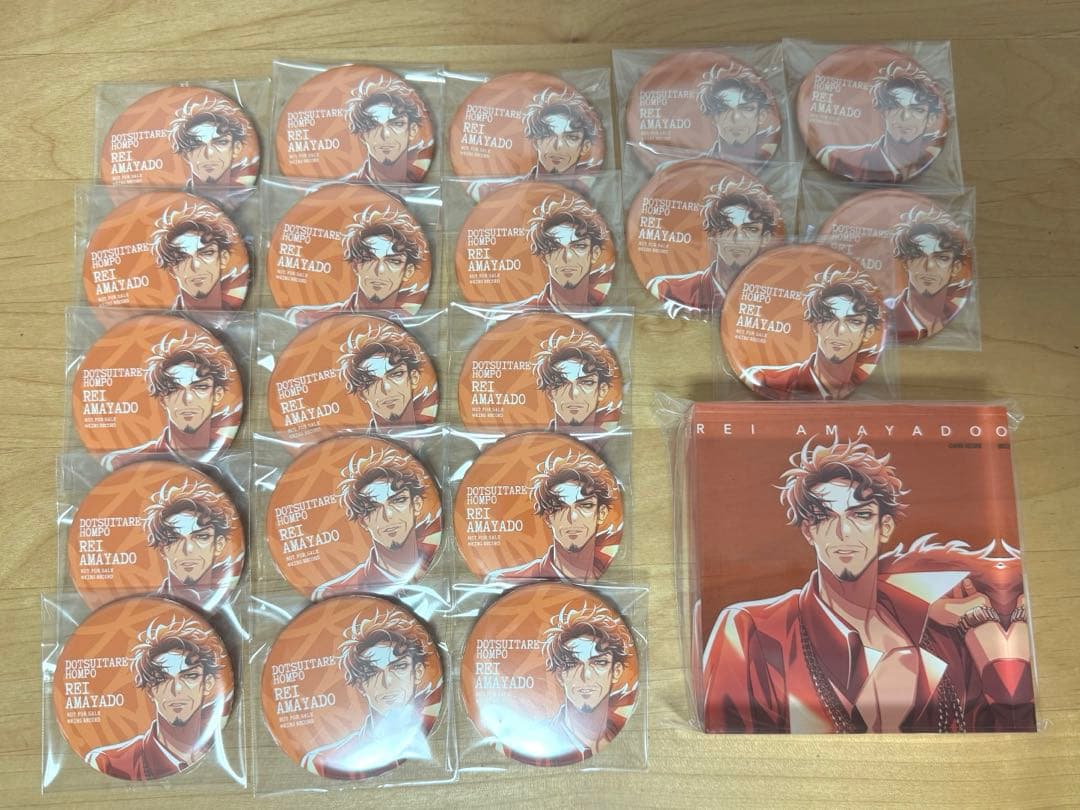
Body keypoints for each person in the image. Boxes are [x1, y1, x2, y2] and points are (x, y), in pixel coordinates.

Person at [701, 438, 1035, 733]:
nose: (843, 533)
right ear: (808, 532)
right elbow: (721, 754)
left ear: (884, 527)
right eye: (825, 517)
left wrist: (989, 650)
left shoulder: (942, 637)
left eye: (860, 515)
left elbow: (1002, 749)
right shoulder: (751, 630)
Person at [301, 608, 436, 778]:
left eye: (399, 667)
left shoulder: (433, 708)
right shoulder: (324, 761)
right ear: (360, 686)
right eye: (372, 673)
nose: (387, 682)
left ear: (418, 672)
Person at [85, 616, 226, 779]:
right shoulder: (109, 763)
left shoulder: (220, 743)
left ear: (208, 684)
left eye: (190, 676)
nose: (176, 690)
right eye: (162, 679)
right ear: (151, 691)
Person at [102, 332, 241, 471]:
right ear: (163, 399)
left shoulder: (230, 428)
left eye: (200, 387)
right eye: (174, 389)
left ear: (217, 395)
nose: (187, 399)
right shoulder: (129, 462)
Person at [312, 448, 440, 598]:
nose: (388, 515)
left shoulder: (436, 541)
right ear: (363, 521)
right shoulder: (338, 592)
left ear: (416, 505)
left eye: (398, 500)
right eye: (373, 508)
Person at [741, 266, 882, 400]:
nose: (840, 330)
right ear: (815, 326)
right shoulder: (764, 380)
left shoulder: (873, 383)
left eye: (854, 322)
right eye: (829, 319)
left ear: (868, 332)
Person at [647, 177, 780, 317]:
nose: (738, 238)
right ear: (714, 237)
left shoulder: (774, 301)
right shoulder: (667, 289)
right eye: (727, 228)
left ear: (765, 238)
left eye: (751, 229)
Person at [485, 451, 617, 583]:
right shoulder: (505, 582)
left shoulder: (613, 577)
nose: (573, 517)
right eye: (560, 507)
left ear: (601, 513)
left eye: (585, 505)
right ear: (548, 518)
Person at [286, 207, 428, 325]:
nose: (380, 270)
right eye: (368, 259)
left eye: (393, 261)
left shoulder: (411, 315)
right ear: (355, 266)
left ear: (408, 271)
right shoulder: (311, 318)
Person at [535, 602, 634, 761]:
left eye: (599, 662)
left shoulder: (626, 732)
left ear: (616, 671)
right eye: (572, 664)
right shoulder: (536, 739)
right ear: (560, 676)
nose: (586, 675)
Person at [817, 61, 944, 183]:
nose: (905, 117)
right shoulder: (836, 158)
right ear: (884, 113)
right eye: (895, 107)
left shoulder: (933, 150)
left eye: (917, 110)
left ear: (931, 119)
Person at [143, 478, 241, 607]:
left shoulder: (230, 593)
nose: (188, 549)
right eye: (174, 538)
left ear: (219, 545)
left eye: (201, 536)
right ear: (162, 550)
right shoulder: (146, 606)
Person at [887, 207, 971, 341]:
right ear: (905, 263)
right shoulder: (887, 316)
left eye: (941, 258)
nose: (929, 266)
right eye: (918, 256)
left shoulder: (958, 312)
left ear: (955, 267)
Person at [516, 195, 611, 310]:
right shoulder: (524, 312)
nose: (567, 257)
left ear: (595, 253)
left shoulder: (610, 298)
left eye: (579, 246)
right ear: (544, 257)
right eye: (555, 248)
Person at [338, 324, 438, 428]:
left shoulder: (429, 409)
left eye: (396, 374)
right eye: (371, 381)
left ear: (413, 378)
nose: (386, 388)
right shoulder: (356, 436)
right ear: (362, 394)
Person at [150, 202, 247, 310]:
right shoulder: (162, 319)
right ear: (172, 270)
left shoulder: (239, 294)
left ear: (223, 258)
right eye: (182, 258)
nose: (195, 266)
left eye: (207, 253)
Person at [344, 77, 429, 185]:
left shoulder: (421, 166)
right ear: (362, 136)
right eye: (373, 126)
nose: (385, 135)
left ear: (412, 130)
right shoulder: (348, 187)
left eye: (397, 124)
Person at [532, 330, 618, 431]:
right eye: (562, 383)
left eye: (586, 382)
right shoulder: (534, 439)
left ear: (602, 390)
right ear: (550, 393)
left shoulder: (611, 437)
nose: (574, 393)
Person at [168, 96, 256, 188]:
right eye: (197, 145)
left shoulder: (246, 185)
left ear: (236, 148)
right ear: (185, 155)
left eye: (221, 142)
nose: (209, 154)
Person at [698, 64, 778, 164]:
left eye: (747, 108)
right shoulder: (698, 166)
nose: (736, 117)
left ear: (761, 116)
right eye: (724, 109)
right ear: (713, 118)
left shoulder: (774, 153)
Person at [522, 88, 601, 178]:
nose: (558, 145)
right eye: (549, 135)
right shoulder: (515, 185)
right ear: (535, 142)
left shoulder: (593, 178)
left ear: (585, 147)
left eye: (571, 137)